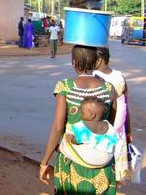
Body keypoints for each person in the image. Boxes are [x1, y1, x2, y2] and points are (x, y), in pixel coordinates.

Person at [39, 45, 117, 194]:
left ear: (74, 62)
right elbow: (109, 125)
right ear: (96, 62)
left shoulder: (65, 87)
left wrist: (44, 162)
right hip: (103, 165)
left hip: (72, 162)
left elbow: (57, 128)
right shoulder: (109, 88)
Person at [93, 47, 132, 183]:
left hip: (104, 126)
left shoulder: (96, 77)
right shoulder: (119, 76)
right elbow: (126, 106)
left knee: (103, 161)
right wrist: (128, 131)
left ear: (98, 60)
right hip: (120, 127)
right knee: (116, 161)